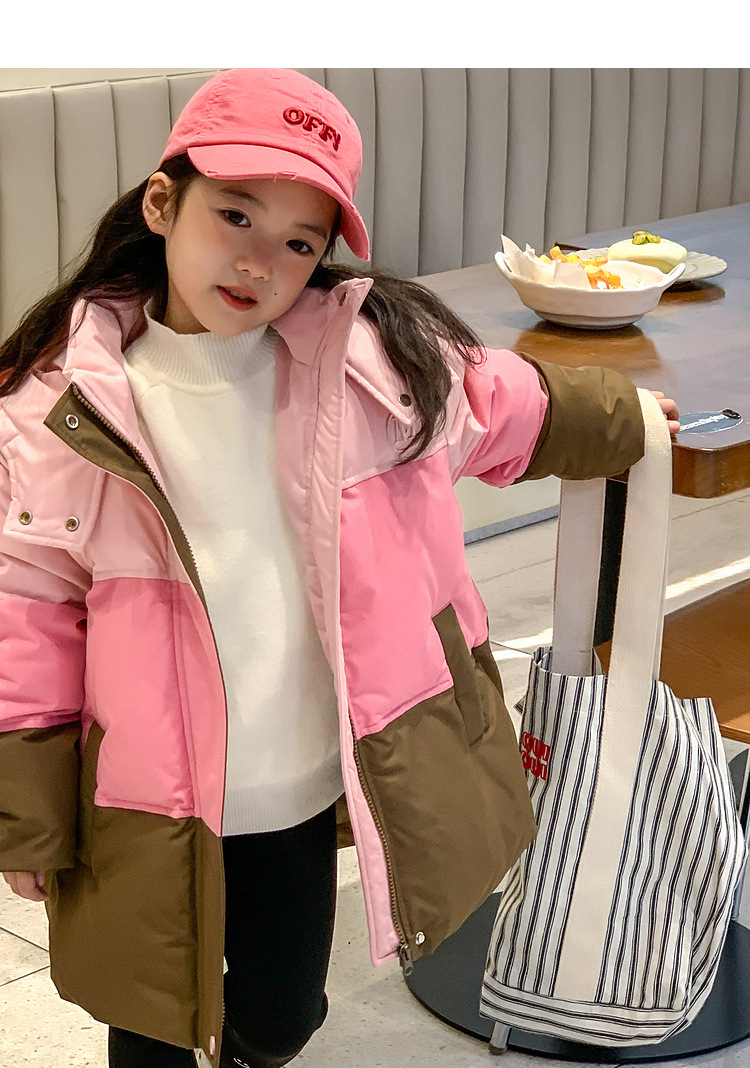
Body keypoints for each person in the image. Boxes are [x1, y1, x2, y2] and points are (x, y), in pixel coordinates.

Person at [0, 68, 679, 1068]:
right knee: (147, 1021)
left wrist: (623, 418)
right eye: (235, 214)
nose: (258, 260)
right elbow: (27, 613)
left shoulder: (370, 364)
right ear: (163, 203)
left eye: (299, 242)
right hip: (140, 798)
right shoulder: (58, 406)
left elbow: (497, 406)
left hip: (300, 782)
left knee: (282, 1017)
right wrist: (28, 809)